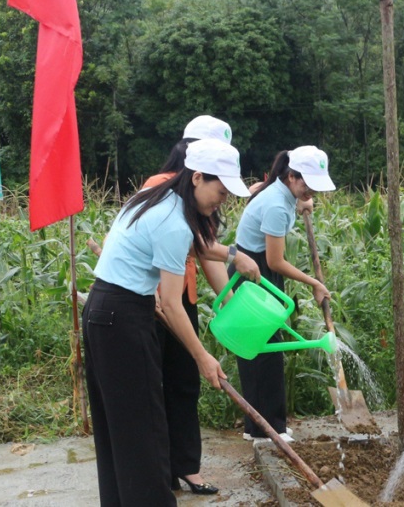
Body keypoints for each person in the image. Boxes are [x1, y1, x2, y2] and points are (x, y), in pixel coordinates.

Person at [83, 139, 260, 506]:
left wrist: (232, 253)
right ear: (197, 177)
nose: (222, 201)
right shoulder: (173, 221)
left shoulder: (155, 198)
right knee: (146, 430)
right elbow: (171, 303)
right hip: (123, 318)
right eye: (221, 191)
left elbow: (192, 245)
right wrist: (202, 358)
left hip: (104, 311)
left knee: (120, 427)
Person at [230, 145, 335, 441]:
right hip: (255, 273)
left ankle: (259, 427)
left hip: (257, 270)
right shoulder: (277, 204)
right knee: (264, 353)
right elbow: (276, 261)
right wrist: (314, 283)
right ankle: (268, 430)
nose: (312, 191)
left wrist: (300, 202)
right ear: (291, 176)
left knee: (259, 349)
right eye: (308, 185)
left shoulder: (281, 195)